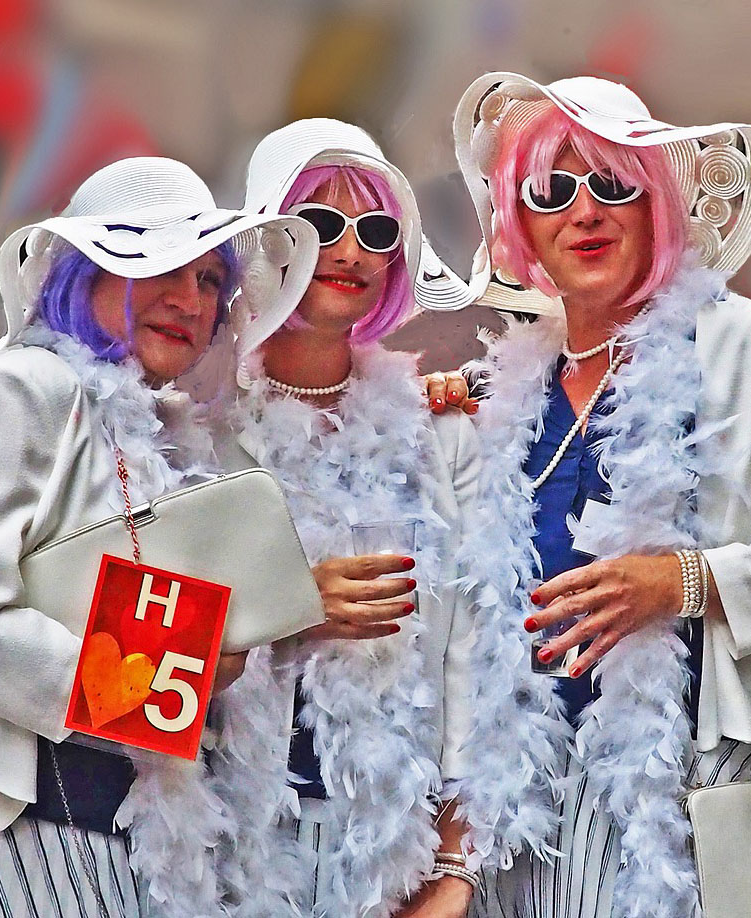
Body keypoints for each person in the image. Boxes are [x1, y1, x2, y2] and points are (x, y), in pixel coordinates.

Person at [438, 73, 751, 918]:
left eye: (612, 182)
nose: (584, 212)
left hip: (690, 805)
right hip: (524, 819)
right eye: (551, 190)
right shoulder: (507, 386)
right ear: (521, 230)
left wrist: (685, 581)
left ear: (655, 205)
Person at [0, 156, 331, 917]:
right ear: (83, 274)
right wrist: (172, 681)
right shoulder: (21, 388)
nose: (189, 299)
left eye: (207, 281)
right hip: (36, 821)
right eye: (159, 267)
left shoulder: (173, 436)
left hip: (145, 836)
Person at [224, 118, 483, 918]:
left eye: (375, 230)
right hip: (217, 845)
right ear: (266, 238)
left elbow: (472, 657)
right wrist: (287, 608)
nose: (349, 251)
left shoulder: (441, 432)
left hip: (387, 858)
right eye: (319, 223)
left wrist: (455, 865)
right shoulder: (197, 425)